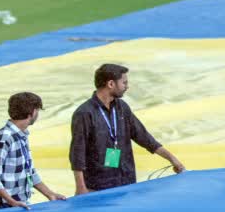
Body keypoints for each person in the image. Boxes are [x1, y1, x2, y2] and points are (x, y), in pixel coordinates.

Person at [70, 64, 185, 195]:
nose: (127, 86)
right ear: (111, 84)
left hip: (125, 181)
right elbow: (77, 152)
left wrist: (172, 159)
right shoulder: (85, 113)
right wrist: (80, 187)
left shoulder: (121, 108)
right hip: (97, 185)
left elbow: (143, 137)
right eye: (124, 82)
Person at [0, 93, 67, 209]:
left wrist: (50, 194)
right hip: (0, 207)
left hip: (19, 204)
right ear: (32, 112)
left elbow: (30, 172)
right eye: (37, 110)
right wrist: (11, 201)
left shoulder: (21, 136)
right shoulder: (3, 139)